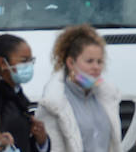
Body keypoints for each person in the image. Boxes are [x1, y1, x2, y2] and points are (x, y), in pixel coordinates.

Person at [37, 24, 122, 152]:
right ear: (71, 63)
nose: (96, 67)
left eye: (99, 62)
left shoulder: (106, 97)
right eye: (89, 61)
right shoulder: (53, 102)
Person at [0, 34, 51, 152]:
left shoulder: (19, 96)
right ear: (3, 63)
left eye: (31, 60)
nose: (29, 65)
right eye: (24, 61)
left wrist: (41, 141)